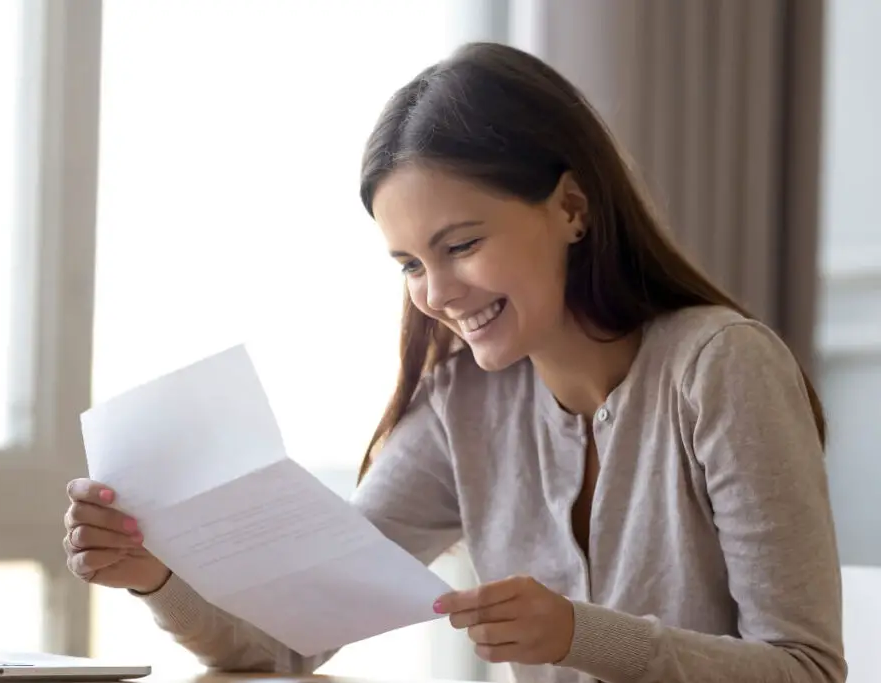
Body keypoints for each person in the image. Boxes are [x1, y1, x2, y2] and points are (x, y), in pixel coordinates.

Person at [62, 42, 846, 683]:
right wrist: (153, 577)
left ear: (572, 209)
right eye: (408, 263)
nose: (436, 294)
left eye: (462, 245)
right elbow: (291, 640)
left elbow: (807, 668)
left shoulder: (720, 369)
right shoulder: (459, 405)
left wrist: (581, 635)